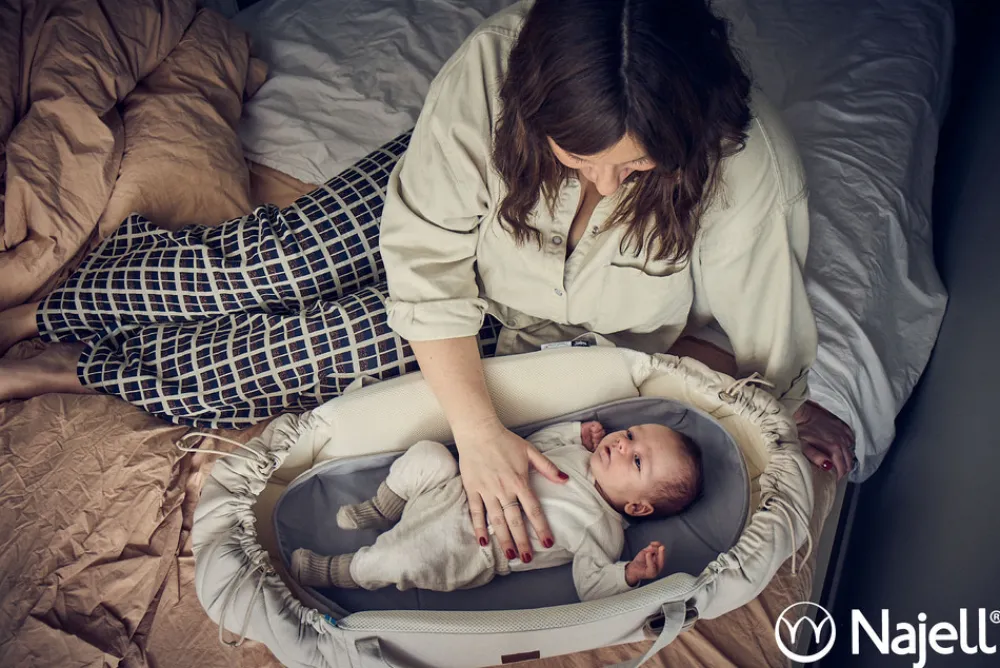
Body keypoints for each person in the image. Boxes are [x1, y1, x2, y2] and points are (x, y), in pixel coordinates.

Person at [0, 0, 854, 564]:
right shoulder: (495, 71)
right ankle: (55, 304)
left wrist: (774, 403)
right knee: (270, 262)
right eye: (580, 161)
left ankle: (71, 366)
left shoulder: (745, 168)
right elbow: (424, 264)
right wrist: (476, 434)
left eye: (632, 173)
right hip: (449, 223)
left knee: (290, 355)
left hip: (538, 335)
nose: (601, 188)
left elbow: (742, 346)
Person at [290, 420, 701, 601]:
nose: (623, 444)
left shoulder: (603, 531)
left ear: (636, 506)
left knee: (398, 559)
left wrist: (628, 574)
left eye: (636, 462)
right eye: (630, 435)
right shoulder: (579, 452)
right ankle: (383, 507)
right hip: (460, 486)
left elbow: (591, 586)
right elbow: (533, 443)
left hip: (470, 547)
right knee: (430, 455)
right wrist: (574, 432)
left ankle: (336, 571)